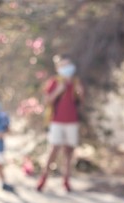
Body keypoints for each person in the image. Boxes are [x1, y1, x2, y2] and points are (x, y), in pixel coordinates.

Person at [37, 54, 85, 192]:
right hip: (57, 121)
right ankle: (43, 178)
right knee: (53, 149)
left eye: (68, 64)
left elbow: (80, 102)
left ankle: (66, 180)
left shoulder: (76, 82)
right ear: (58, 67)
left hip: (72, 121)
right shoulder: (54, 81)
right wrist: (58, 91)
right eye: (63, 65)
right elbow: (47, 101)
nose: (66, 68)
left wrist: (80, 94)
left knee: (68, 151)